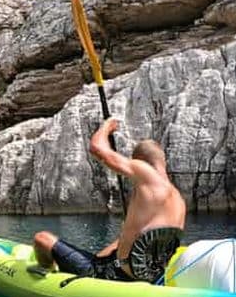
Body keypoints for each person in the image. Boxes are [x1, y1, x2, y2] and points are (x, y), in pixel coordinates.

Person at [33, 118, 186, 283]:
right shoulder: (179, 202)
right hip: (149, 276)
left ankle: (48, 276)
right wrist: (100, 257)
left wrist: (107, 126)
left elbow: (97, 148)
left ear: (140, 161)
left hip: (115, 276)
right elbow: (142, 243)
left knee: (42, 239)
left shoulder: (146, 173)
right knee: (104, 253)